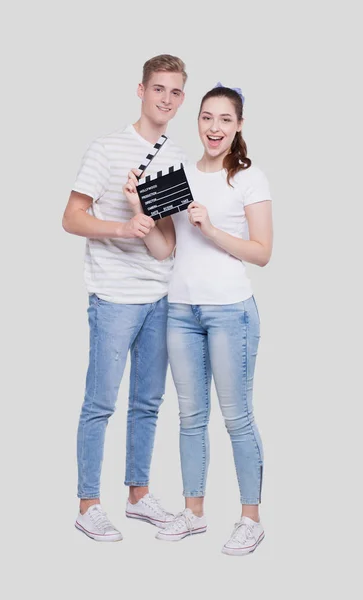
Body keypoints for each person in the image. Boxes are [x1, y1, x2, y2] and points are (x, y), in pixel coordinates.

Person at [124, 83, 273, 555]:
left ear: (239, 126)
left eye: (225, 120)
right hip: (181, 310)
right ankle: (194, 512)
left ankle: (251, 518)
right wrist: (139, 211)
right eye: (207, 117)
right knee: (190, 417)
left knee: (237, 417)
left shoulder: (249, 178)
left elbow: (263, 253)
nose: (215, 127)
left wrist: (211, 228)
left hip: (231, 312)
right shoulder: (179, 174)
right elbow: (166, 248)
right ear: (198, 121)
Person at [62, 54, 187, 542]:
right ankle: (88, 503)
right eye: (159, 89)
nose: (167, 99)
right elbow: (72, 217)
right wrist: (121, 225)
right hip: (113, 297)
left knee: (148, 401)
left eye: (176, 92)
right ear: (141, 90)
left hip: (159, 296)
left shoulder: (174, 156)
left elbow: (166, 247)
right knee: (100, 402)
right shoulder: (106, 148)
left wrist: (146, 220)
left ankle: (138, 495)